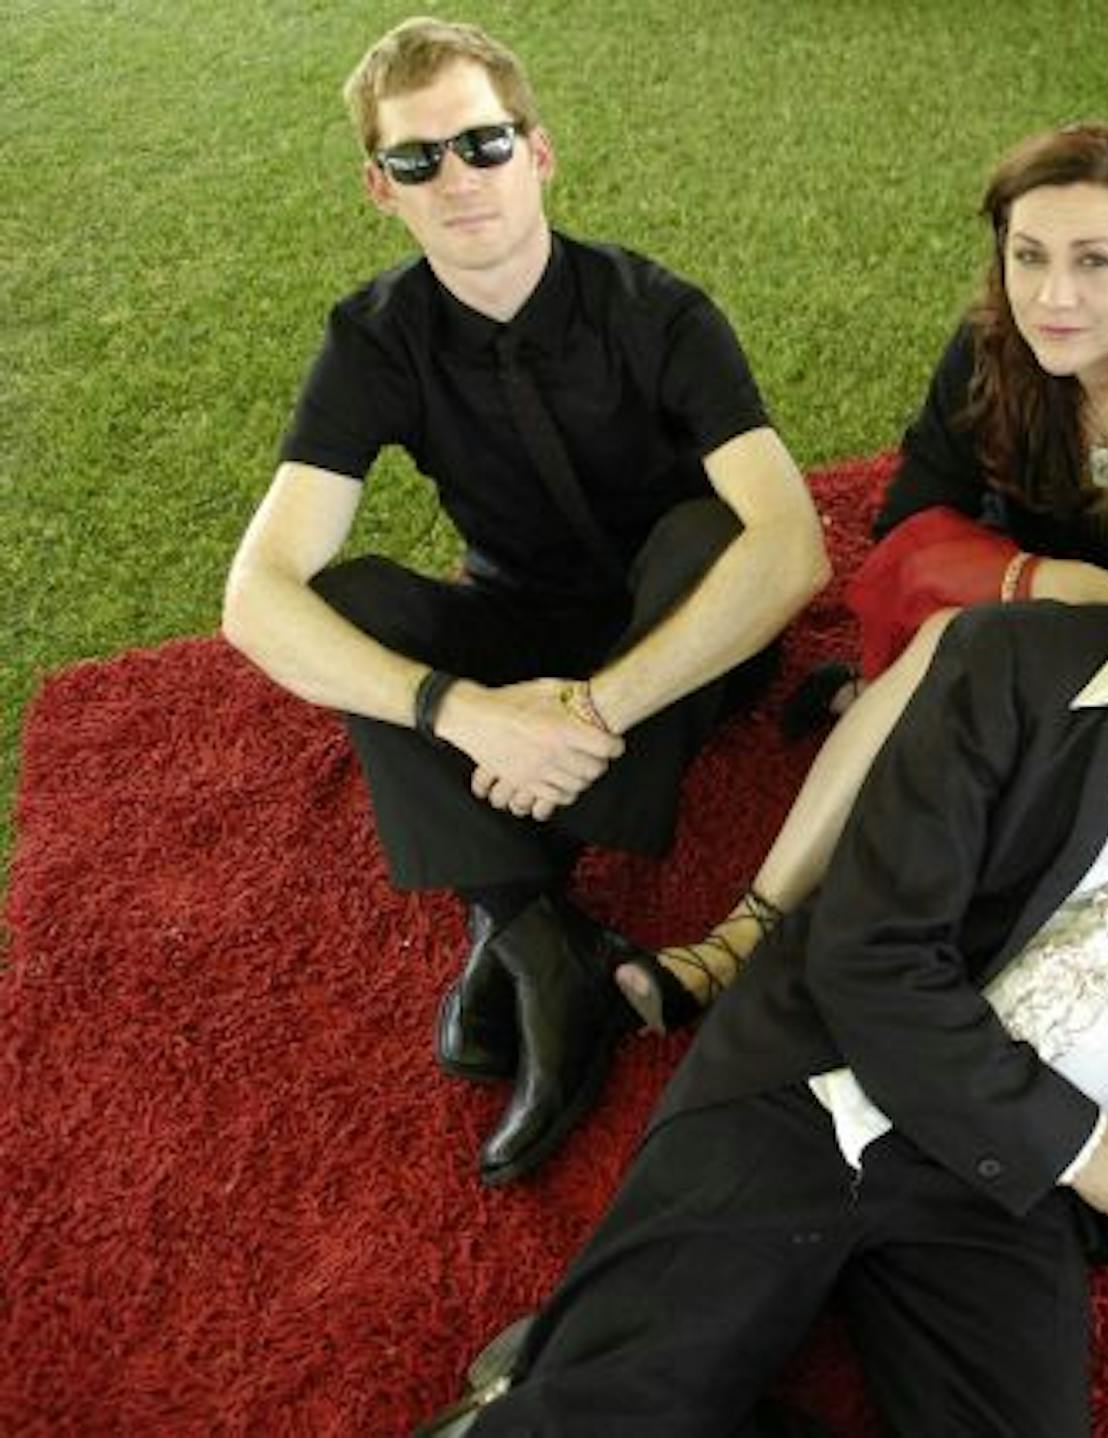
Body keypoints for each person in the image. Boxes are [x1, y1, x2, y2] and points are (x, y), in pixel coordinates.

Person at [415, 417, 1108, 1435]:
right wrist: (1083, 1148)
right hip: (822, 1085)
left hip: (998, 1197)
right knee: (617, 1411)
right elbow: (869, 957)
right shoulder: (1004, 664)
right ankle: (565, 1384)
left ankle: (566, 1364)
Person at [615, 121, 1108, 1030]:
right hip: (1047, 625)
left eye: (1094, 261)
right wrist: (1062, 585)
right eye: (1027, 257)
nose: (1052, 296)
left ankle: (838, 962)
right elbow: (907, 532)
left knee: (968, 696)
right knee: (955, 641)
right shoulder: (989, 354)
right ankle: (746, 933)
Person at [220, 17, 829, 1187]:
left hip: (676, 643)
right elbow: (257, 595)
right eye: (418, 160)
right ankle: (542, 935)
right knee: (348, 598)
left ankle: (508, 903)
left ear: (538, 152)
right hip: (509, 633)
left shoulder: (659, 311)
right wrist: (461, 711)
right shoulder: (374, 338)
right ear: (380, 188)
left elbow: (794, 549)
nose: (457, 179)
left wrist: (590, 712)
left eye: (483, 143)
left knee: (713, 534)